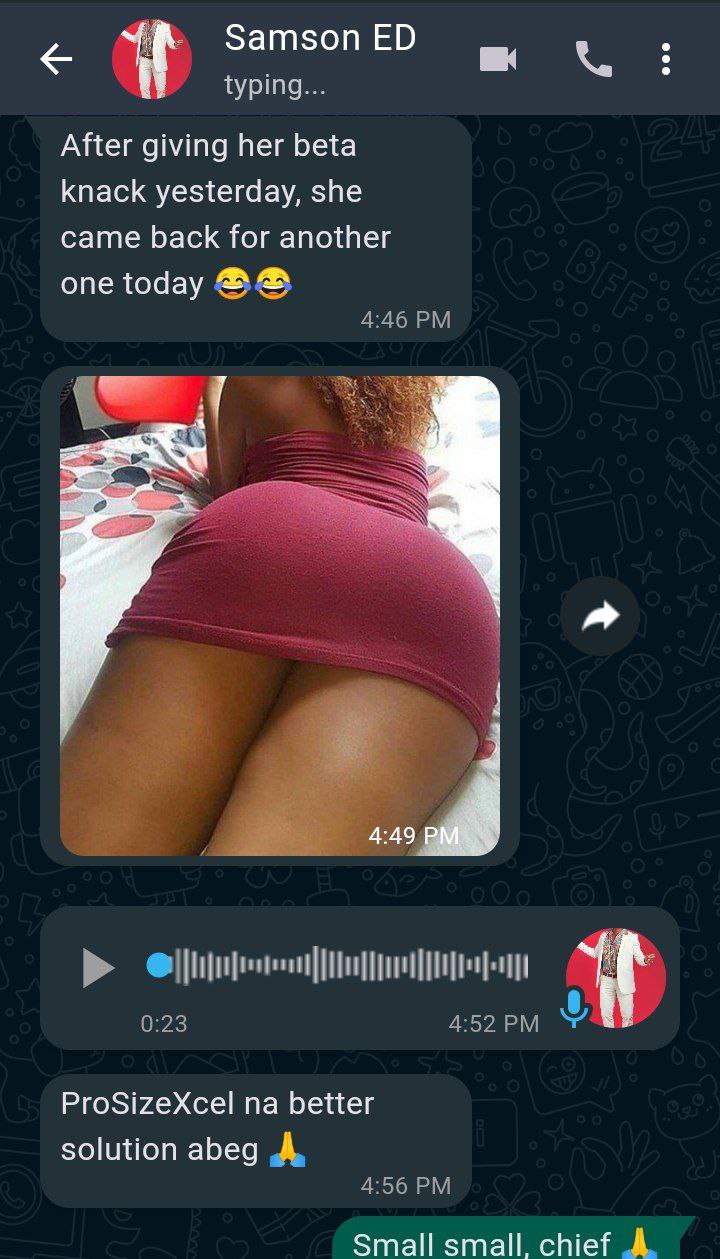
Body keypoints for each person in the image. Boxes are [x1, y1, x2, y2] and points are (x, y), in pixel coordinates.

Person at [61, 376, 500, 857]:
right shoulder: (406, 388)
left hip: (272, 528)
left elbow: (224, 483)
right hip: (433, 584)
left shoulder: (253, 377)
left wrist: (215, 388)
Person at [576, 928, 656, 1028]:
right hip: (605, 980)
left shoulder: (632, 937)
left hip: (624, 981)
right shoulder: (603, 936)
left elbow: (639, 958)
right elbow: (595, 953)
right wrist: (580, 944)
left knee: (627, 1016)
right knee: (605, 1015)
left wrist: (645, 960)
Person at [121, 19, 184, 100]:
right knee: (144, 88)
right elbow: (134, 39)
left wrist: (175, 44)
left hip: (159, 61)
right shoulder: (142, 25)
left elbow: (171, 43)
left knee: (161, 89)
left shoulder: (165, 26)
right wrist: (123, 32)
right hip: (144, 60)